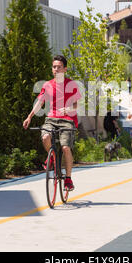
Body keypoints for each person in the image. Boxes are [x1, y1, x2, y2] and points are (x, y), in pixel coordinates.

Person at [23, 55, 82, 191]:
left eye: (59, 67)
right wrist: (29, 117)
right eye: (54, 67)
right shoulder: (47, 85)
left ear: (65, 69)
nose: (56, 69)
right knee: (45, 137)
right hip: (51, 119)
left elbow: (76, 106)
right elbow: (40, 102)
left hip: (67, 120)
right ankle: (53, 158)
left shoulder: (71, 85)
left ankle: (68, 178)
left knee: (65, 147)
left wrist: (66, 109)